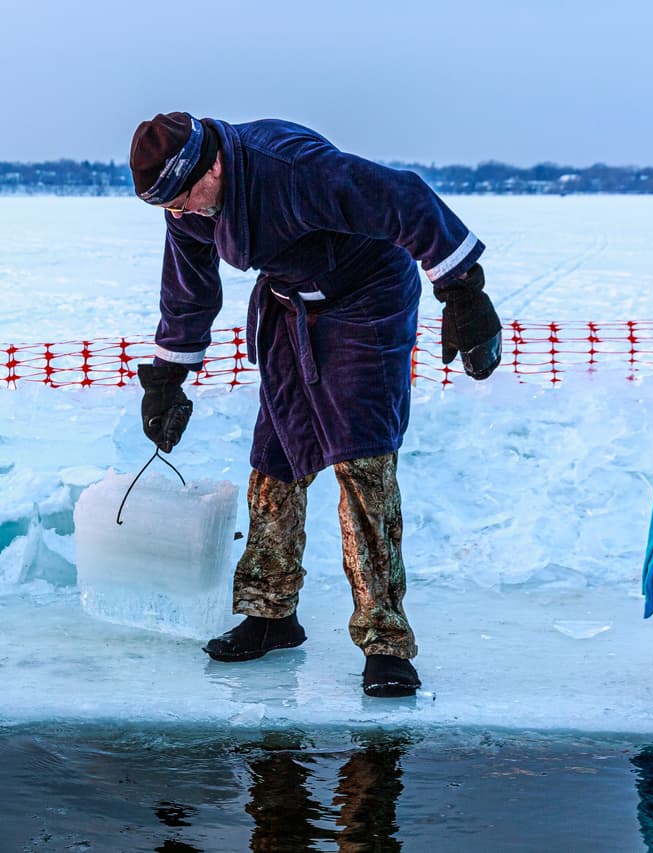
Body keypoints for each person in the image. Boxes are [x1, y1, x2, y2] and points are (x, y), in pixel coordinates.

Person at [129, 112, 501, 698]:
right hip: (288, 305)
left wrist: (463, 291)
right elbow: (188, 290)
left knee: (361, 460)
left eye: (181, 200)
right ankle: (271, 613)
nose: (178, 215)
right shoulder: (188, 204)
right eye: (166, 208)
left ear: (215, 165)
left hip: (367, 299)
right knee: (275, 455)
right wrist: (167, 379)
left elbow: (403, 196)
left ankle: (386, 642)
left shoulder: (294, 170)